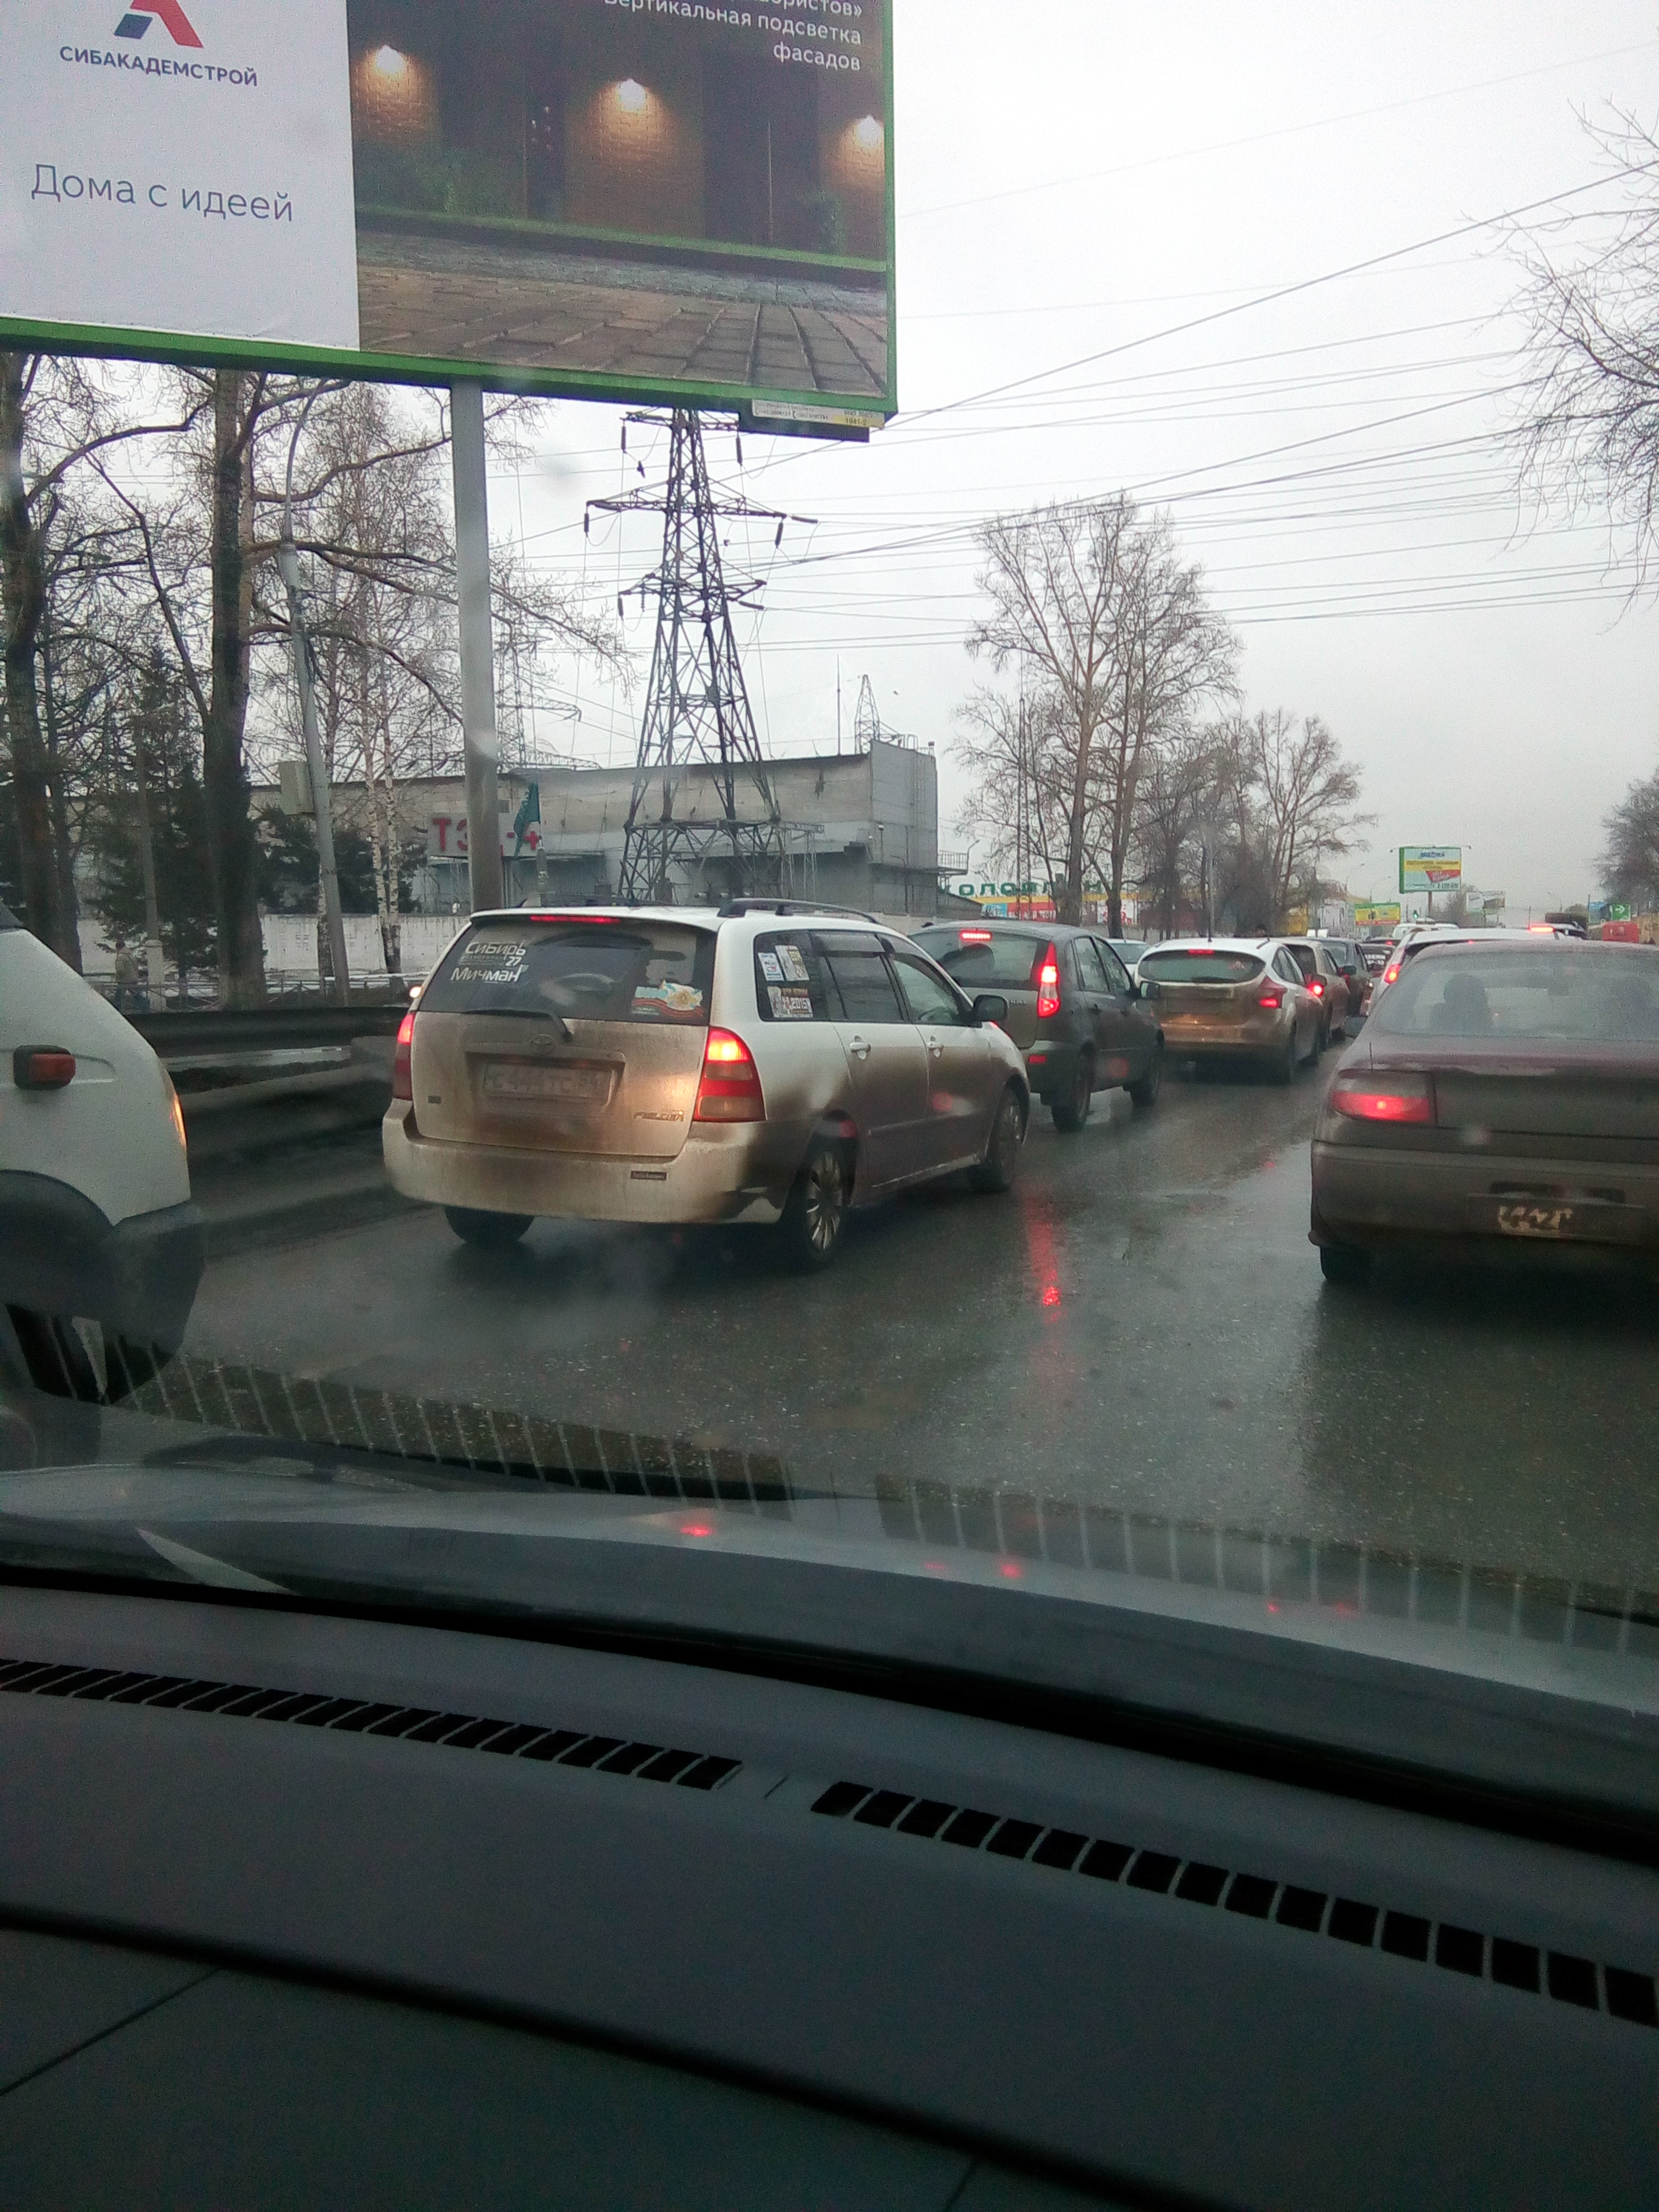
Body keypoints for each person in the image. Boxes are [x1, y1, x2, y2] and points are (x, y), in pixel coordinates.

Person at [111, 941, 148, 1015]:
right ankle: (145, 1008)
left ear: (118, 948)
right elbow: (136, 967)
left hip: (124, 981)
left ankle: (116, 1012)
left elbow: (120, 970)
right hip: (133, 979)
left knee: (118, 997)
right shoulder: (131, 955)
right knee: (137, 995)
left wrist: (120, 977)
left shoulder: (120, 957)